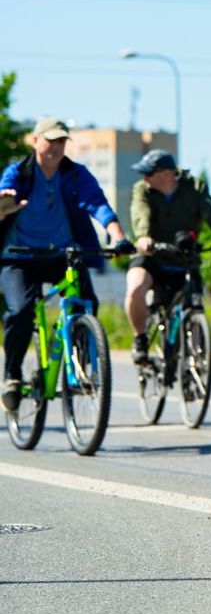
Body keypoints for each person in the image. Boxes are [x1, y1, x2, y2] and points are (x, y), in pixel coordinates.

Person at [0, 116, 133, 411]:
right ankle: (12, 376)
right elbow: (5, 194)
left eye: (61, 141)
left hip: (61, 254)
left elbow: (98, 205)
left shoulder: (75, 174)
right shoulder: (19, 173)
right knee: (20, 311)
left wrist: (119, 237)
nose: (56, 147)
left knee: (85, 301)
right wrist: (5, 203)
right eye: (50, 140)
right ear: (35, 141)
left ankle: (81, 364)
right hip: (19, 257)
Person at [123, 149, 211, 364]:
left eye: (149, 173)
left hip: (184, 258)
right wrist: (144, 236)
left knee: (194, 302)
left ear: (167, 174)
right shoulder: (143, 189)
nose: (144, 178)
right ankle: (140, 338)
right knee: (135, 287)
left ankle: (195, 357)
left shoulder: (195, 188)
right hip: (152, 255)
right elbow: (141, 213)